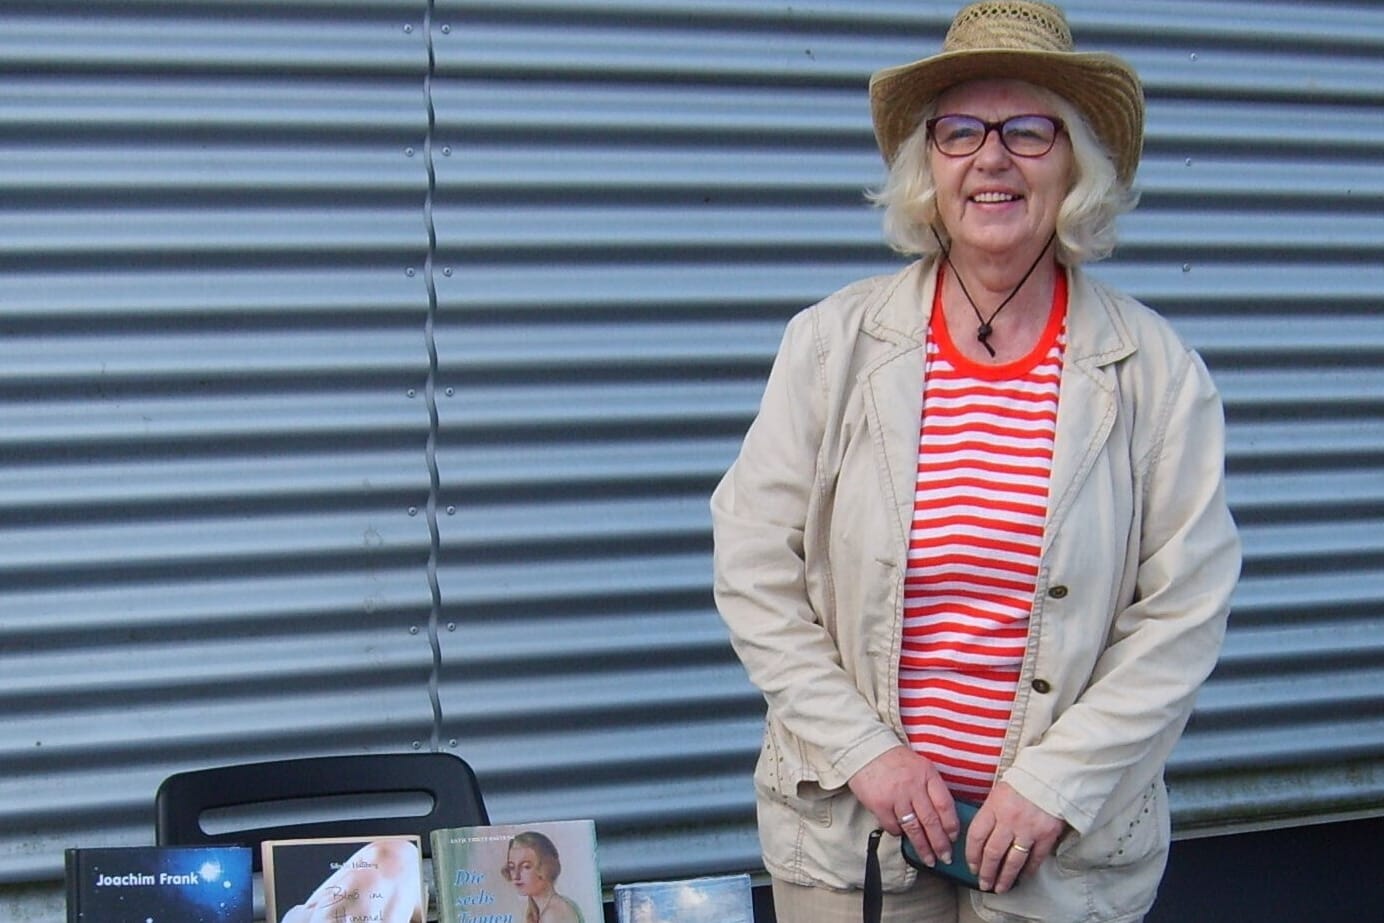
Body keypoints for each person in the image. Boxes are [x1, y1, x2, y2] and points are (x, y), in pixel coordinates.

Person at [710, 2, 1242, 922]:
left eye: (1029, 130)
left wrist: (1054, 782)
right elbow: (753, 568)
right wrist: (867, 751)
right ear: (929, 164)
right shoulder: (832, 345)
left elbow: (1184, 612)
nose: (991, 158)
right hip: (851, 834)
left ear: (1075, 162)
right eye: (960, 130)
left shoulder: (1158, 373)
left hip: (1061, 849)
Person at [502, 831, 584, 923]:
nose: (516, 876)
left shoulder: (553, 915)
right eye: (512, 867)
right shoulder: (538, 909)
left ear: (546, 868)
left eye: (526, 867)